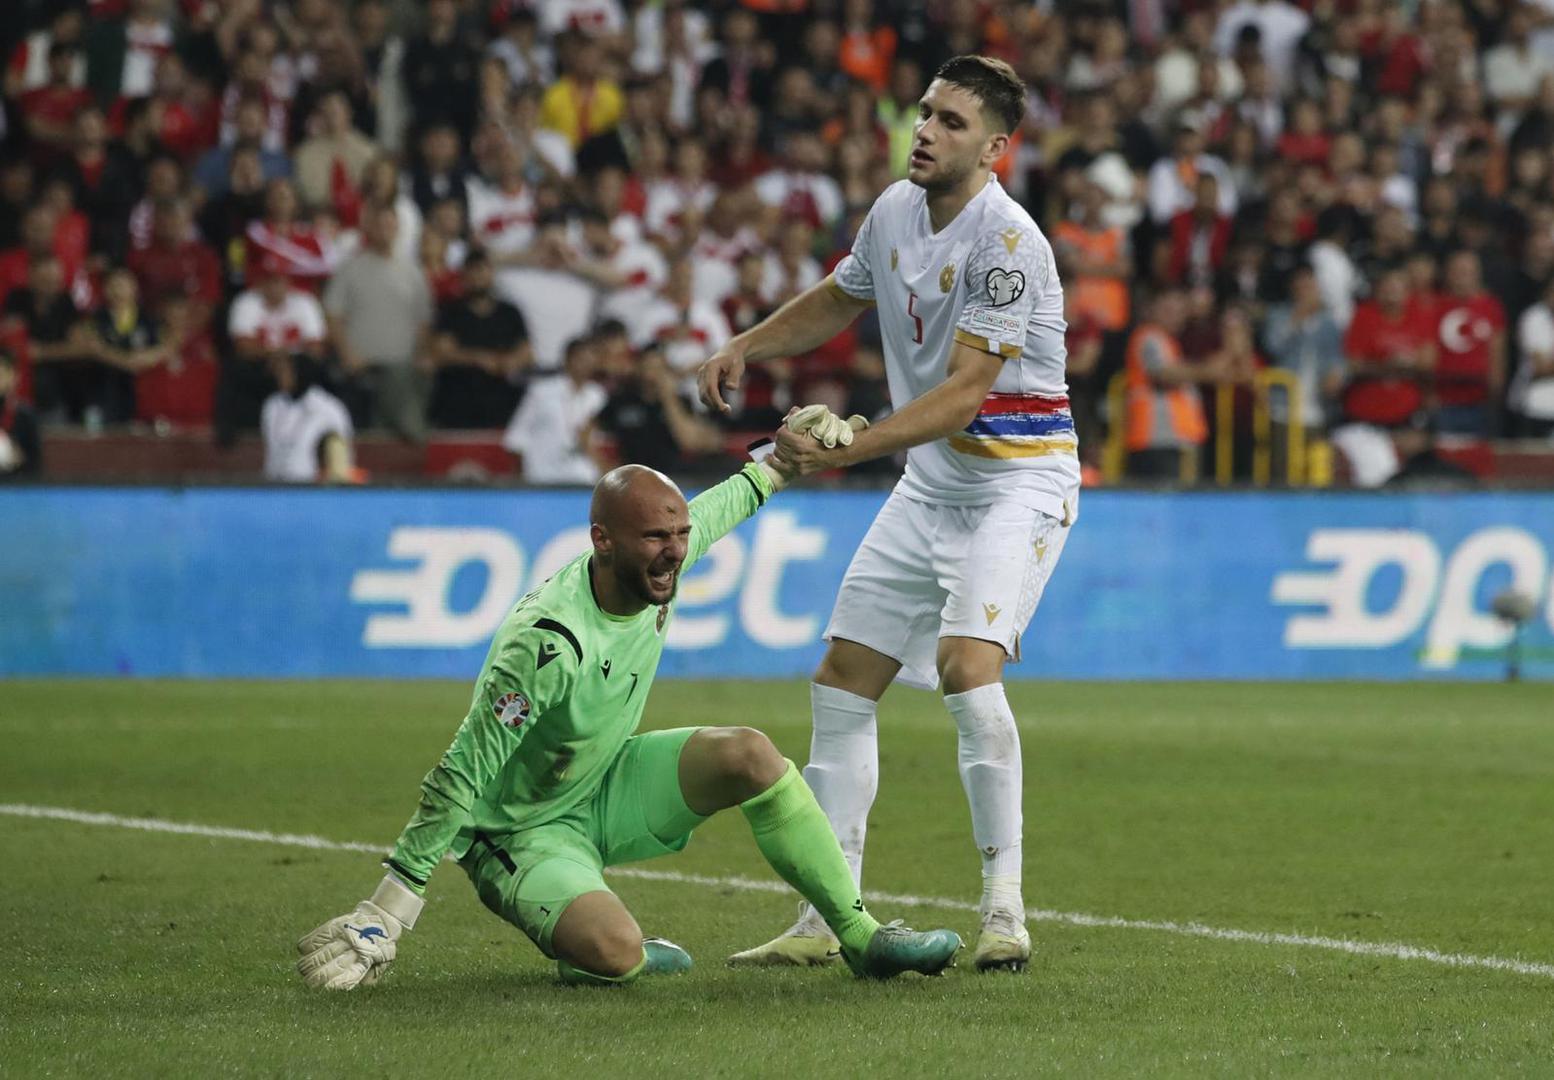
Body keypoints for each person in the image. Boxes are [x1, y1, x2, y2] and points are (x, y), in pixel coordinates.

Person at [296, 456, 962, 989]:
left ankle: (861, 938)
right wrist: (391, 906)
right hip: (520, 833)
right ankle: (606, 947)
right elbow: (462, 772)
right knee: (615, 953)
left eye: (679, 537)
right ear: (603, 541)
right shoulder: (547, 645)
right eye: (655, 538)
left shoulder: (657, 565)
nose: (674, 552)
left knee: (749, 753)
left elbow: (717, 509)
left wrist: (781, 461)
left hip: (605, 782)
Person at [698, 56, 1078, 973]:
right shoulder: (894, 211)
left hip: (1017, 482)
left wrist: (848, 449)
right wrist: (749, 344)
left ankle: (1004, 909)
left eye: (951, 122)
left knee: (965, 667)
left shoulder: (1008, 244)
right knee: (841, 679)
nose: (926, 131)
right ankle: (822, 919)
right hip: (931, 484)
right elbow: (842, 295)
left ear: (993, 149)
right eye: (925, 113)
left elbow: (967, 393)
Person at [502, 335, 606, 485]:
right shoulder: (542, 391)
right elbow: (516, 436)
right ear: (567, 359)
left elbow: (593, 441)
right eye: (581, 358)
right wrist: (522, 475)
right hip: (541, 476)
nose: (586, 364)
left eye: (591, 358)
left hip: (580, 475)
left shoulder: (597, 396)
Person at [0, 346, 42, 479]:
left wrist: (20, 459)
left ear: (14, 376)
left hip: (15, 485)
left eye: (2, 374)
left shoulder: (24, 416)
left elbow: (36, 466)